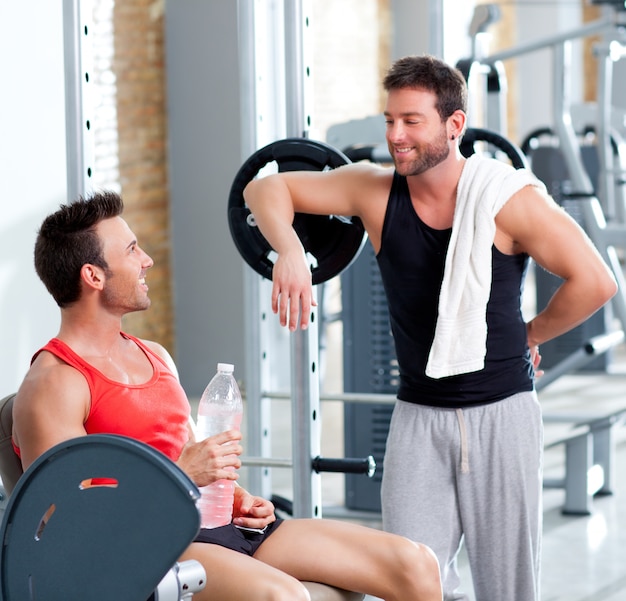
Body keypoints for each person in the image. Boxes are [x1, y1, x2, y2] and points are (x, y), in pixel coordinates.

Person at [243, 54, 618, 601]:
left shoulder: (508, 200)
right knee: (407, 579)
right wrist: (291, 251)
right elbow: (265, 190)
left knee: (508, 589)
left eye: (412, 121)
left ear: (454, 125)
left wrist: (532, 333)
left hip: (501, 414)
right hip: (418, 416)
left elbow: (595, 280)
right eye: (390, 120)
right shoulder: (374, 191)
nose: (396, 136)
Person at [11, 191, 442, 601]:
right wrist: (181, 474)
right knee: (286, 596)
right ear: (93, 275)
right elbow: (66, 526)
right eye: (131, 250)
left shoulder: (155, 356)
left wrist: (238, 497)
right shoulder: (55, 383)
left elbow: (194, 459)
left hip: (219, 528)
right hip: (148, 549)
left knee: (415, 564)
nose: (147, 260)